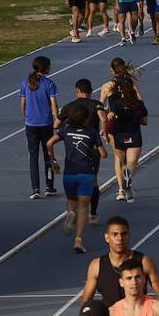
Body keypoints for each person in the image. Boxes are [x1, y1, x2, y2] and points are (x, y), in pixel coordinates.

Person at [47, 105, 107, 254]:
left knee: (72, 201)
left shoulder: (66, 130)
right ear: (86, 119)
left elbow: (49, 143)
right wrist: (94, 148)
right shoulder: (91, 133)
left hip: (69, 174)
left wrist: (53, 161)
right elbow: (103, 154)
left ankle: (70, 213)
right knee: (84, 208)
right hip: (86, 174)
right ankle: (78, 240)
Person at [81, 216, 159, 308]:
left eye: (123, 234)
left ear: (129, 236)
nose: (120, 238)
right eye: (115, 234)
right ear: (107, 237)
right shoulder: (96, 266)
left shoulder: (144, 261)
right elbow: (86, 302)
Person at [58, 78, 107, 224]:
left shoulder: (69, 106)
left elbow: (56, 123)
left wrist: (67, 131)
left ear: (77, 91)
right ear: (91, 91)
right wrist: (104, 131)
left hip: (73, 145)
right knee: (93, 181)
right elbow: (103, 119)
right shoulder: (97, 104)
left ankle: (73, 210)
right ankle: (93, 214)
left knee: (73, 176)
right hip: (92, 146)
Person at [99, 58, 148, 202]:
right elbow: (141, 102)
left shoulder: (107, 86)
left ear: (112, 71)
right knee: (131, 161)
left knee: (119, 159)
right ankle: (129, 184)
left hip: (115, 125)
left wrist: (107, 118)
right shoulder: (131, 84)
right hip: (131, 124)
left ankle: (121, 190)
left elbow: (99, 107)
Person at [20, 55, 60, 199]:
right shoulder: (49, 84)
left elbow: (23, 104)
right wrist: (57, 120)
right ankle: (49, 186)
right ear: (45, 68)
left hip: (31, 124)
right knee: (48, 155)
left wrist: (26, 118)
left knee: (33, 156)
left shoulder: (26, 83)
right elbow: (54, 104)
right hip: (46, 123)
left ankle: (35, 188)